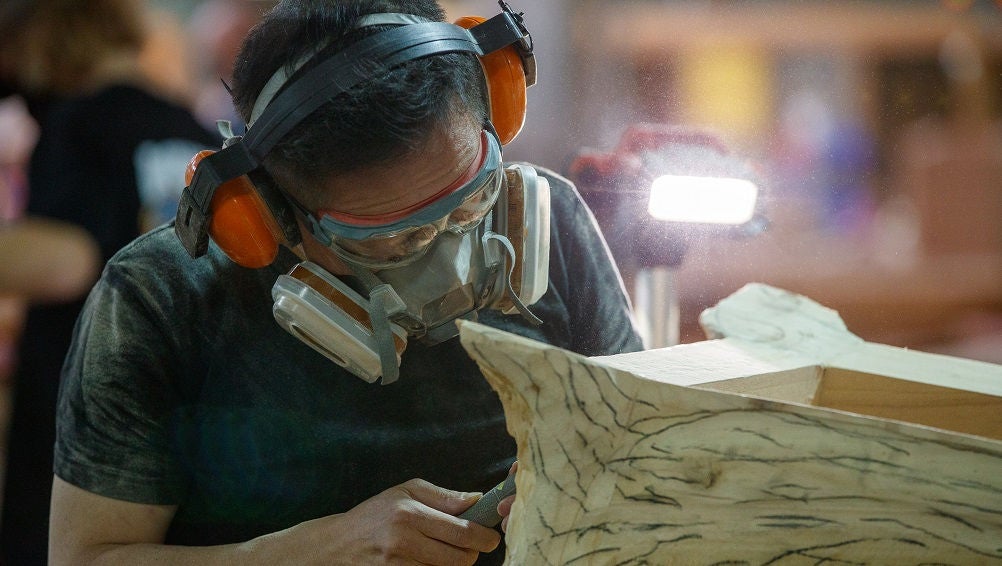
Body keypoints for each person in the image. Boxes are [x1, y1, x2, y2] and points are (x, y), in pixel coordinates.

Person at [49, 1, 644, 565]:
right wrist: (312, 552)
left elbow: (641, 454)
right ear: (266, 215)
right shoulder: (163, 299)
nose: (449, 264)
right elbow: (84, 556)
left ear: (496, 109)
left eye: (468, 204)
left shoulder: (551, 222)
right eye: (389, 239)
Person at [0, 1, 220, 563]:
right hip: (189, 408)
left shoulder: (79, 122)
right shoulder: (189, 127)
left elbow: (68, 258)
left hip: (86, 407)